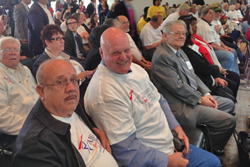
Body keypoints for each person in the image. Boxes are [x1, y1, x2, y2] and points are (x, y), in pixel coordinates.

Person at [84, 27, 221, 167]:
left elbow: (159, 100)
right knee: (213, 163)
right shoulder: (104, 94)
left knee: (214, 162)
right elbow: (126, 151)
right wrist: (167, 160)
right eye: (115, 53)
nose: (124, 57)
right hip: (153, 160)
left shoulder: (135, 69)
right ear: (101, 52)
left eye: (127, 50)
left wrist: (176, 127)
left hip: (169, 143)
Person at [150, 20, 236, 156]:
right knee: (228, 121)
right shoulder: (162, 56)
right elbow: (178, 87)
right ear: (165, 36)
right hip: (180, 106)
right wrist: (201, 100)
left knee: (229, 104)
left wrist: (206, 94)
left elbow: (193, 75)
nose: (182, 36)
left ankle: (209, 140)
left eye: (184, 33)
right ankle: (209, 150)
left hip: (194, 97)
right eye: (177, 33)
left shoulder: (180, 51)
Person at [12, 59, 118, 167]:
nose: (71, 88)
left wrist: (96, 132)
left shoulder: (69, 105)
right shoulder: (34, 148)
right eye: (60, 82)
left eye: (73, 80)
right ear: (41, 91)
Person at [179, 15, 240, 100]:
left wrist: (218, 71)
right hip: (208, 74)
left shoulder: (196, 38)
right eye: (192, 25)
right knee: (230, 87)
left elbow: (205, 57)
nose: (195, 27)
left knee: (235, 77)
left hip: (212, 68)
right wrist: (217, 72)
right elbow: (201, 66)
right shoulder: (186, 47)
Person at [0, 37, 38, 150]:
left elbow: (37, 97)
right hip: (18, 133)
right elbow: (3, 119)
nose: (13, 52)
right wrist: (34, 127)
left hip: (39, 122)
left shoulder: (25, 69)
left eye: (16, 50)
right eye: (7, 50)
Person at [197, 7, 240, 74]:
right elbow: (212, 44)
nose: (213, 15)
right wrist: (224, 49)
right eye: (210, 13)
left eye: (213, 13)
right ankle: (223, 74)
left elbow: (217, 39)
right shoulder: (204, 26)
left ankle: (235, 73)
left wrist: (225, 47)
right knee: (229, 55)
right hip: (210, 51)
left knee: (233, 51)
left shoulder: (210, 24)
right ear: (204, 15)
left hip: (215, 48)